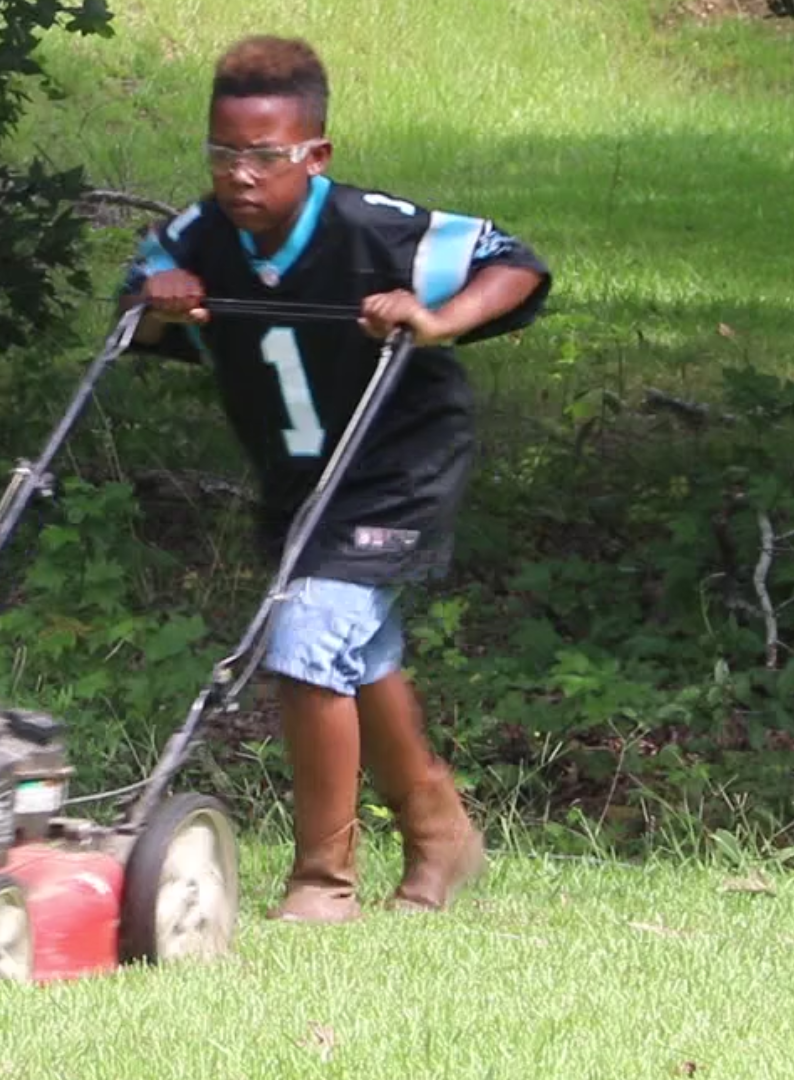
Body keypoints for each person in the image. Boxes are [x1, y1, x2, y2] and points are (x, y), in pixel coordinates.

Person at [116, 34, 552, 922]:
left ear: (314, 154)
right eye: (222, 152)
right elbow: (135, 313)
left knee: (309, 639)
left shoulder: (374, 228)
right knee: (360, 653)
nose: (240, 175)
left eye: (263, 156)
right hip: (295, 477)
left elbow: (518, 265)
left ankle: (324, 882)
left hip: (400, 463)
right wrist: (157, 310)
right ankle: (438, 835)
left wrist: (435, 319)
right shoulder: (193, 240)